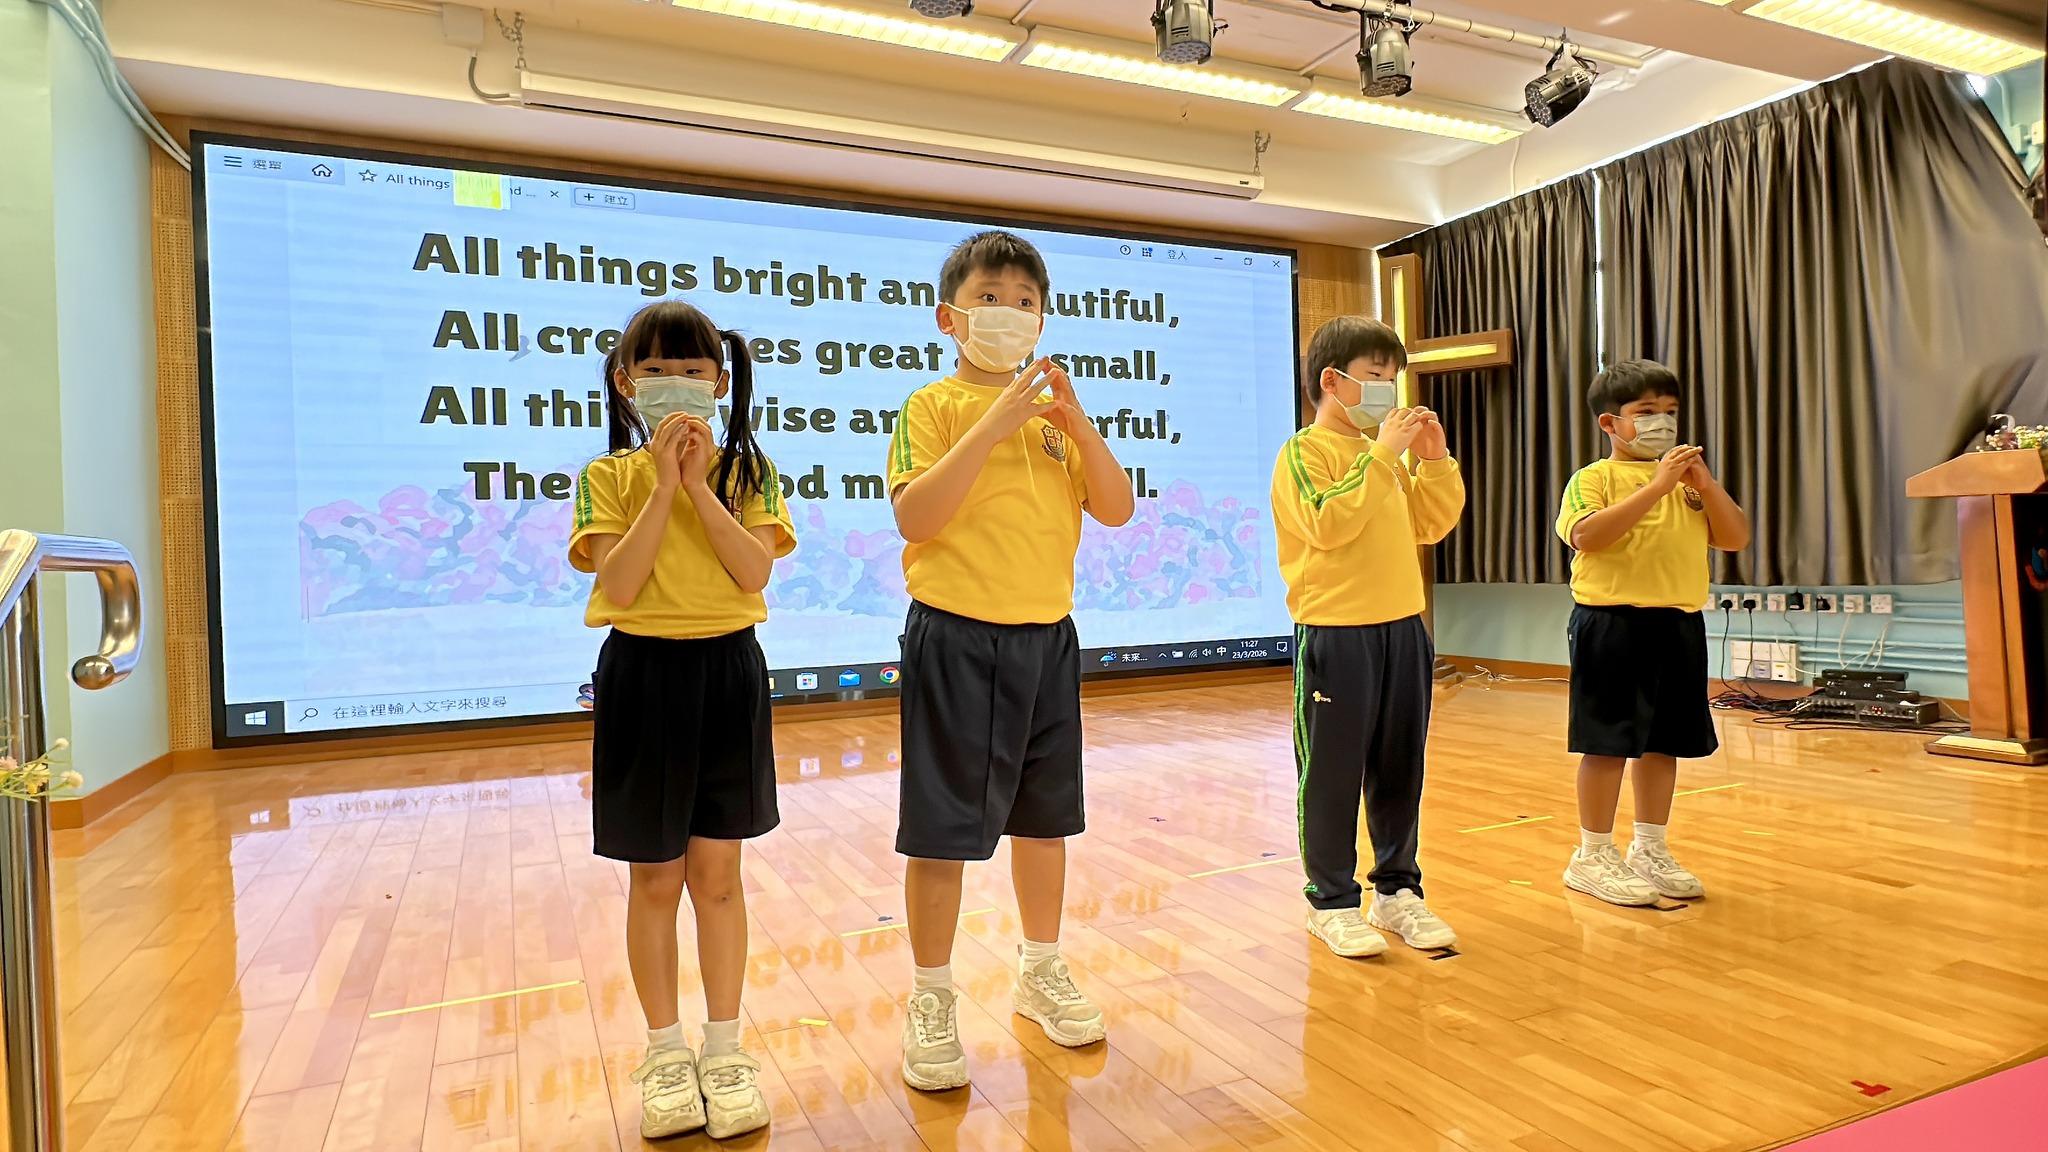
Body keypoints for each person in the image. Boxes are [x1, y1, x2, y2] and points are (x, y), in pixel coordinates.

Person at [885, 230, 1136, 1091]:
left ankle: (1040, 968)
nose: (1008, 313)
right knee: (940, 830)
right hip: (955, 638)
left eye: (1025, 302)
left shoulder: (1055, 419)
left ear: (1042, 321)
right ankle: (931, 995)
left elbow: (1115, 508)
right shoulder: (931, 406)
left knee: (1045, 821)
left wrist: (1078, 426)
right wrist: (992, 425)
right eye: (989, 298)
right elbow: (916, 517)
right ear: (949, 317)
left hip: (1046, 639)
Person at [568, 300, 794, 1140]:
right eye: (655, 371)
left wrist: (699, 486)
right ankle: (665, 1055)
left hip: (728, 672)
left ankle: (725, 1051)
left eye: (692, 371)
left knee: (719, 878)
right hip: (642, 675)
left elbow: (752, 573)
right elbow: (620, 585)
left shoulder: (749, 472)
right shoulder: (608, 477)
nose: (674, 385)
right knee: (656, 880)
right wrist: (662, 486)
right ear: (627, 384)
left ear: (719, 383)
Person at [1272, 316, 1464, 959]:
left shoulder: (1385, 461)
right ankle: (1329, 901)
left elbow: (1429, 526)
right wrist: (1383, 455)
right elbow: (1326, 524)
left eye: (1392, 378)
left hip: (1402, 629)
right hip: (1336, 632)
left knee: (1399, 767)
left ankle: (1397, 891)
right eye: (1375, 376)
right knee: (1330, 774)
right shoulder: (1305, 452)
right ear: (1332, 381)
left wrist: (1432, 460)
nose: (1388, 390)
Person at [1554, 359, 1750, 906]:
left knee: (1664, 744)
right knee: (1608, 743)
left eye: (1670, 411)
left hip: (1678, 623)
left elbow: (1735, 537)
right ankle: (1592, 854)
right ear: (1610, 423)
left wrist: (1704, 485)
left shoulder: (1690, 485)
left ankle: (1650, 847)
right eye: (1646, 412)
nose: (1662, 422)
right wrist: (1657, 486)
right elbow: (1588, 537)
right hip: (1611, 624)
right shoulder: (1593, 479)